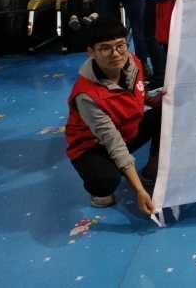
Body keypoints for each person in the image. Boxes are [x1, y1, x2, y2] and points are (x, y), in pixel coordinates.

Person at [65, 18, 161, 214]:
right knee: (106, 181)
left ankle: (152, 167)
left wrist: (153, 100)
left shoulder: (133, 62)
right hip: (93, 146)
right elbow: (112, 142)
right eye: (105, 48)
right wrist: (139, 191)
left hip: (127, 130)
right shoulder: (87, 95)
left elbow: (135, 93)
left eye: (120, 45)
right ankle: (99, 186)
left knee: (165, 113)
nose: (115, 53)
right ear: (91, 52)